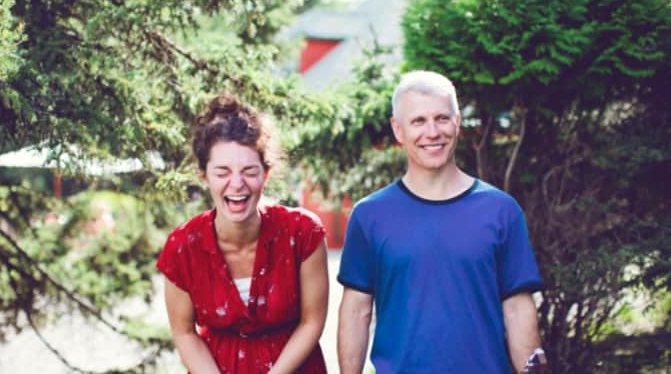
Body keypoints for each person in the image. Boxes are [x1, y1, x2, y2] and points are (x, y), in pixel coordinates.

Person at [337, 70, 544, 373]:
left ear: (457, 122)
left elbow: (518, 310)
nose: (432, 132)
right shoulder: (370, 215)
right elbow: (356, 311)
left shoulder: (501, 211)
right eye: (418, 121)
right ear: (398, 130)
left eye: (442, 118)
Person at [157, 94, 329, 374]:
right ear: (204, 176)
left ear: (266, 174)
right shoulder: (182, 248)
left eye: (249, 171)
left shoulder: (302, 233)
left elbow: (312, 322)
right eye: (222, 172)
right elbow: (184, 332)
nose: (237, 184)